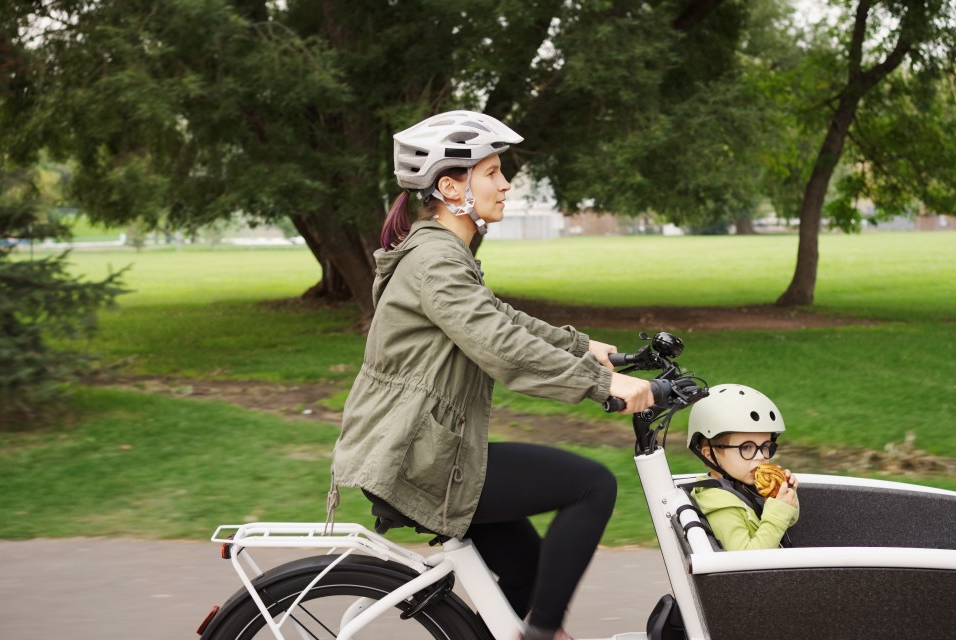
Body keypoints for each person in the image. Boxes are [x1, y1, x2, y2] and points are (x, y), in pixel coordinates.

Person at [329, 110, 655, 640]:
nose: (505, 185)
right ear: (450, 187)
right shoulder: (436, 260)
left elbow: (499, 317)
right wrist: (601, 386)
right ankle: (543, 635)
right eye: (492, 173)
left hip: (422, 449)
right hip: (419, 459)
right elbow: (500, 346)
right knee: (592, 486)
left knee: (530, 573)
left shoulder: (441, 251)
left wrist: (583, 347)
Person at [686, 383, 800, 550]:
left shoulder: (743, 485)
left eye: (765, 446)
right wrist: (778, 512)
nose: (761, 456)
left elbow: (789, 520)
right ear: (710, 455)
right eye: (746, 447)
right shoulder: (720, 505)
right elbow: (745, 560)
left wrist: (784, 496)